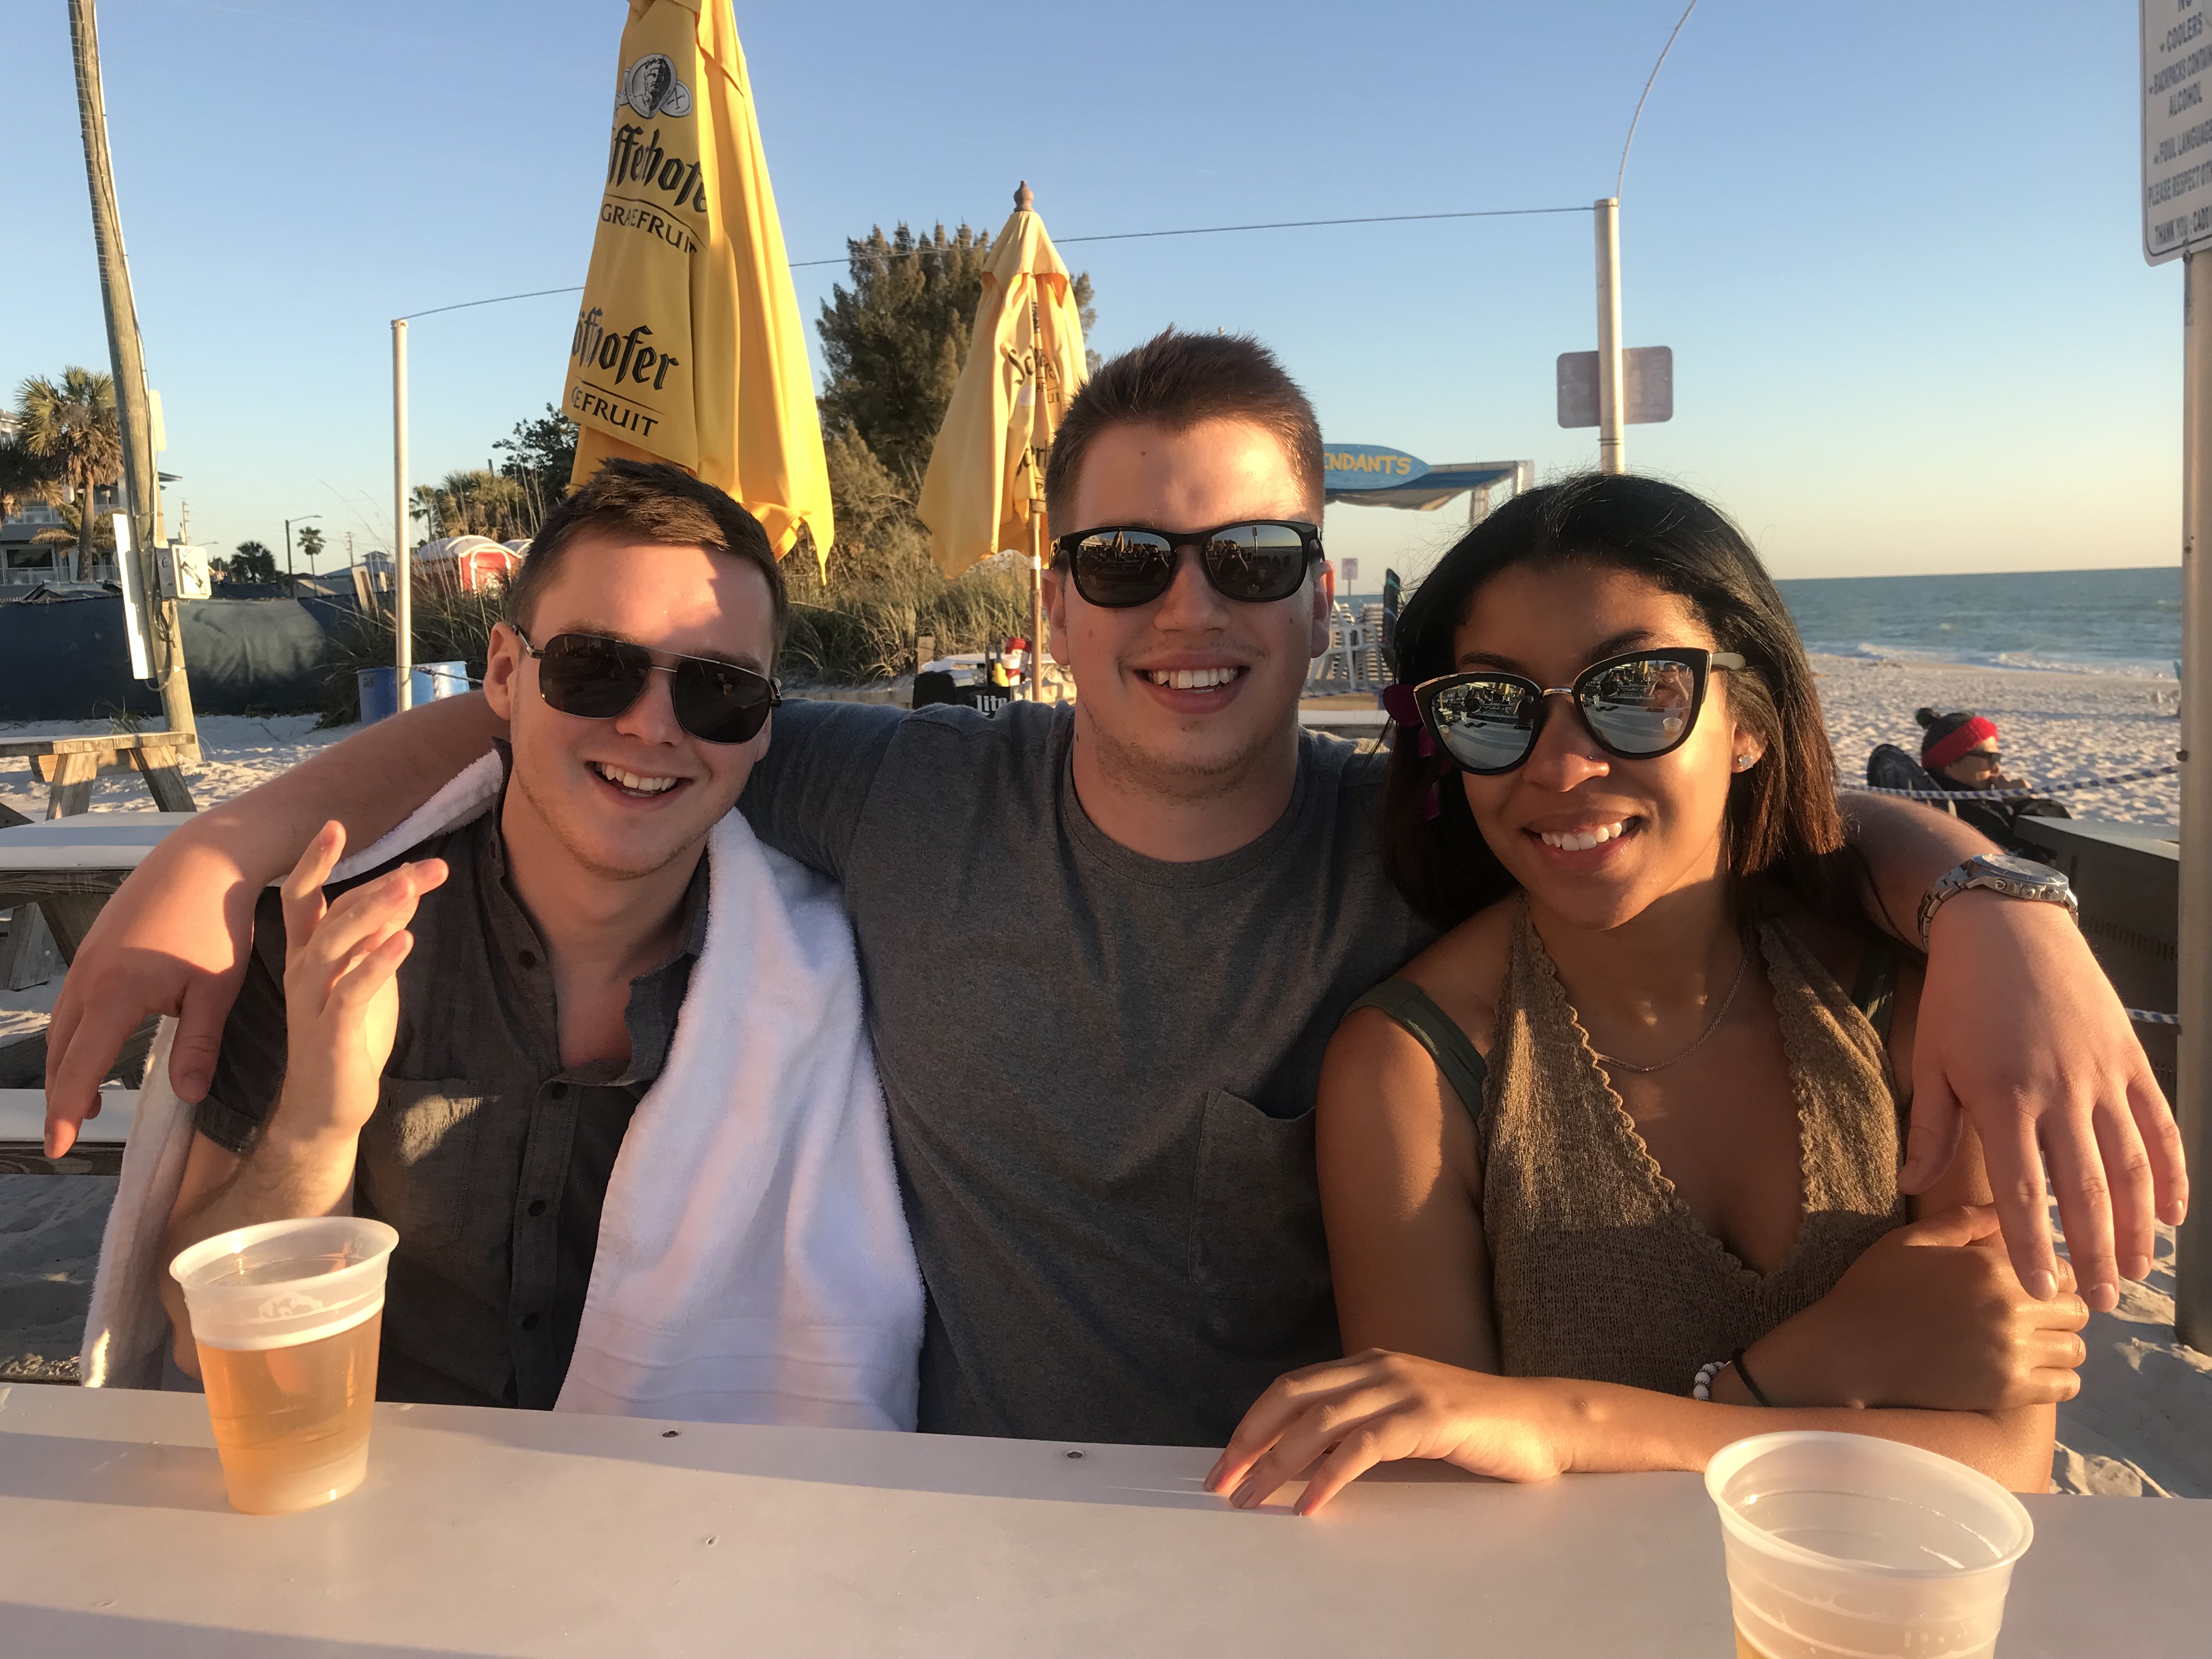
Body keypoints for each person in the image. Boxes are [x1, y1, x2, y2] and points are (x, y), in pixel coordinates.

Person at [48, 330, 2181, 1446]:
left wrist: (1998, 902)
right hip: (961, 1523)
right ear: (1052, 603)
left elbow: (1705, 801)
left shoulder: (1426, 828)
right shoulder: (895, 786)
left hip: (1309, 1540)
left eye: (1249, 559)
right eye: (1126, 559)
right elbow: (600, 708)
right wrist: (210, 851)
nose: (1189, 608)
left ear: (1318, 595)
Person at [1208, 477, 2087, 1513]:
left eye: (1635, 691)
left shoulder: (1909, 1008)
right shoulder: (1417, 1065)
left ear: (1748, 720)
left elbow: (2006, 1463)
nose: (1561, 764)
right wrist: (1799, 1369)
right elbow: (1434, 1491)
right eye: (1493, 707)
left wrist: (1561, 1426)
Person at [155, 461, 898, 1412]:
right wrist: (315, 1125)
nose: (651, 726)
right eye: (596, 666)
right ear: (505, 673)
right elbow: (199, 1338)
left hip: (695, 1492)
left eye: (720, 690)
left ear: (761, 730)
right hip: (394, 1484)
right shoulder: (327, 940)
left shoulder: (832, 981)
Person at [1911, 707, 2068, 848]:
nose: (1997, 768)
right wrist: (2027, 804)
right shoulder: (1975, 817)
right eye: (1990, 758)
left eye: (1998, 758)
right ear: (1950, 763)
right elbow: (2062, 850)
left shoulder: (1938, 800)